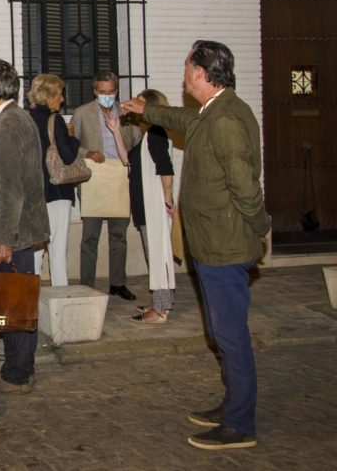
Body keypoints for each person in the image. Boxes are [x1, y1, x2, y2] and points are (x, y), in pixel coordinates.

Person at [122, 40, 269, 450]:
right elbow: (183, 117)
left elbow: (245, 188)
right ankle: (233, 404)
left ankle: (240, 424)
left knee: (230, 335)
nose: (184, 77)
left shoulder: (226, 120)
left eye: (188, 69)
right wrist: (147, 110)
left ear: (201, 74)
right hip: (211, 245)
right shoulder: (213, 110)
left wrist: (262, 227)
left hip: (225, 246)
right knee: (220, 332)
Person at [0, 60, 50, 393]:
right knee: (15, 300)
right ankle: (17, 365)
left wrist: (3, 238)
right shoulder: (18, 118)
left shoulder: (6, 126)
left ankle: (19, 369)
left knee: (15, 301)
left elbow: (11, 189)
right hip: (21, 229)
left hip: (14, 232)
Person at [108, 89, 176, 324]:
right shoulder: (149, 135)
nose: (136, 108)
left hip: (154, 207)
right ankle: (161, 302)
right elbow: (127, 160)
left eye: (140, 104)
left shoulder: (156, 133)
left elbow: (165, 168)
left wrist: (166, 200)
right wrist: (116, 131)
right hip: (146, 206)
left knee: (158, 257)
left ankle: (160, 310)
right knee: (155, 256)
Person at [71, 71, 142, 299]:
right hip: (93, 179)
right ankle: (87, 284)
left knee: (119, 235)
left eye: (111, 91)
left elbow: (138, 143)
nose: (107, 95)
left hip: (120, 178)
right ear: (95, 91)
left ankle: (118, 283)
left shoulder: (127, 113)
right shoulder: (82, 114)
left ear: (116, 90)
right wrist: (88, 153)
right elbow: (72, 146)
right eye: (102, 92)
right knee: (89, 237)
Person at [28, 74, 81, 286]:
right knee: (58, 248)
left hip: (35, 191)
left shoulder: (27, 119)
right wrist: (73, 138)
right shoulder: (55, 120)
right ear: (49, 95)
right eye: (59, 94)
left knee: (35, 248)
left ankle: (33, 293)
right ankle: (60, 293)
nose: (62, 99)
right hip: (57, 190)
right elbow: (67, 156)